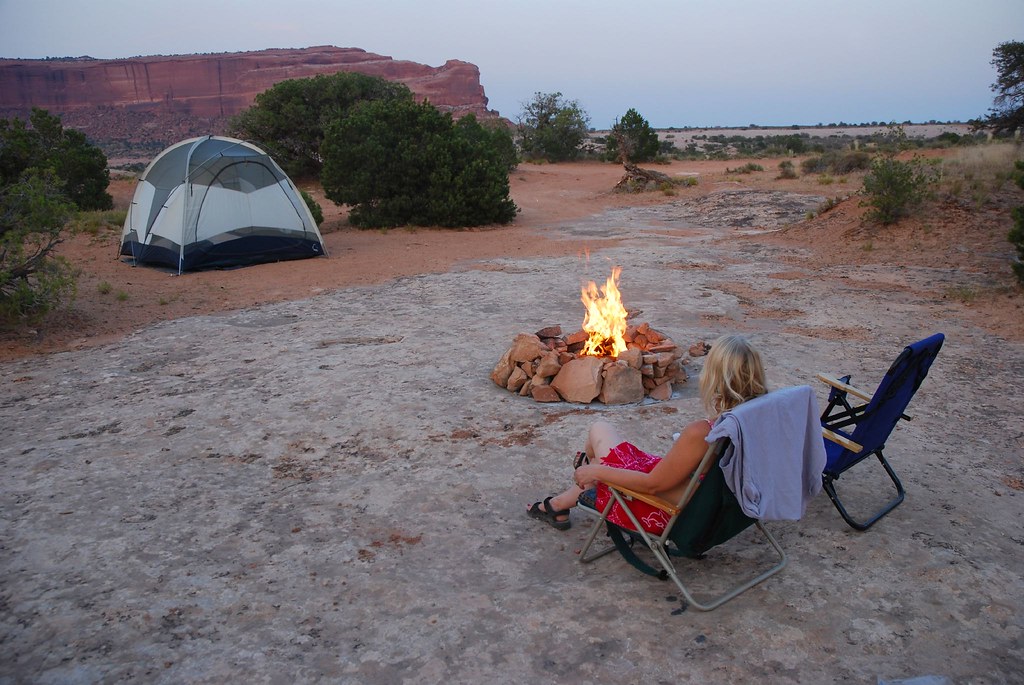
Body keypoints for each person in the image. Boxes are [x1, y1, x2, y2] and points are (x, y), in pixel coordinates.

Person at [527, 334, 768, 531]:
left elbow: (653, 486)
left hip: (665, 508)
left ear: (714, 378)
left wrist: (597, 470)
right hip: (707, 498)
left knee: (599, 429)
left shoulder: (703, 432)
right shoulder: (762, 417)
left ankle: (580, 489)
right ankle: (564, 500)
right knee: (601, 436)